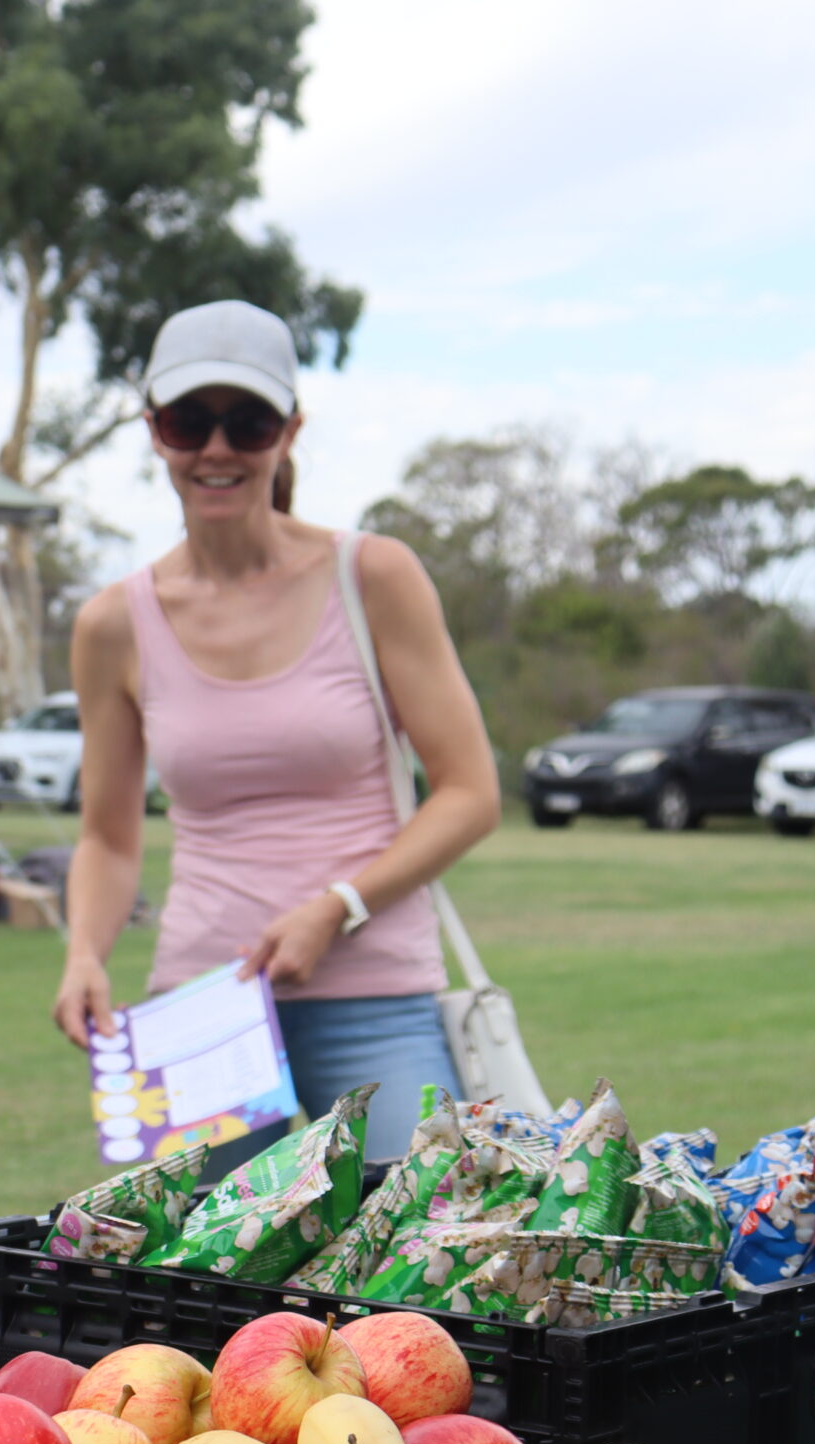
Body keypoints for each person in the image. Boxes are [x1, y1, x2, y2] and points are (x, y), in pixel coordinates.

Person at [52, 300, 501, 1161]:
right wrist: (84, 955)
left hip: (374, 992)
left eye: (248, 423)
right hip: (202, 1006)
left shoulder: (372, 575)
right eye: (190, 422)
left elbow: (471, 794)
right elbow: (107, 838)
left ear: (289, 431)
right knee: (202, 1249)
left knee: (414, 1237)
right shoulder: (112, 623)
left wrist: (337, 908)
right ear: (154, 432)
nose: (217, 449)